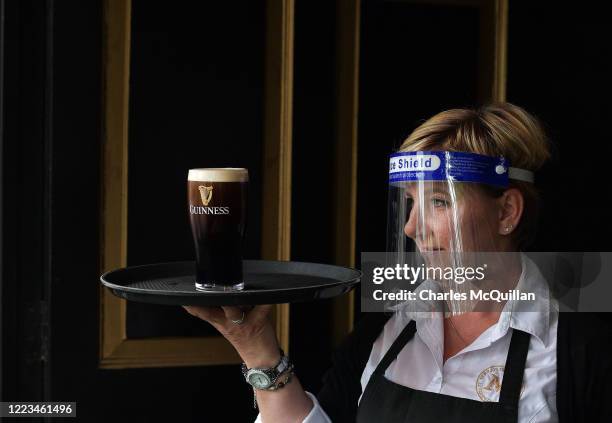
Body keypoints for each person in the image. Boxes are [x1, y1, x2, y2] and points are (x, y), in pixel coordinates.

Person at [183, 103, 612, 422]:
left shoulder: (581, 345)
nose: (412, 228)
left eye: (439, 202)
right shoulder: (390, 321)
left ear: (506, 212)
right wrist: (257, 348)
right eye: (410, 204)